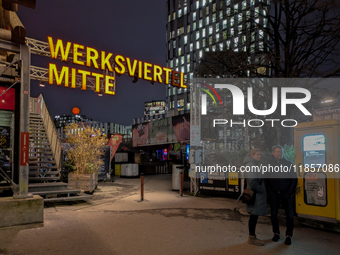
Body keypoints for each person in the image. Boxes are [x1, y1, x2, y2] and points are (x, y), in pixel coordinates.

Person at [266, 145, 297, 245]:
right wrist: (270, 192)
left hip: (286, 194)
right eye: (278, 151)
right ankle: (276, 233)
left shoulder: (289, 164)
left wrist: (289, 192)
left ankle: (289, 235)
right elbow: (265, 179)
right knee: (274, 215)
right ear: (273, 153)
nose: (280, 153)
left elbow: (294, 179)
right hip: (274, 194)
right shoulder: (268, 164)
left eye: (281, 151)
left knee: (290, 215)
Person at [243, 148, 267, 246]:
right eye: (257, 154)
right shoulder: (251, 165)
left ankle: (252, 236)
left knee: (254, 215)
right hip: (255, 195)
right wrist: (261, 189)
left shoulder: (253, 164)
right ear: (251, 155)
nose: (259, 156)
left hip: (254, 194)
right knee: (253, 216)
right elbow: (252, 181)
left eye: (260, 154)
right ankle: (252, 238)